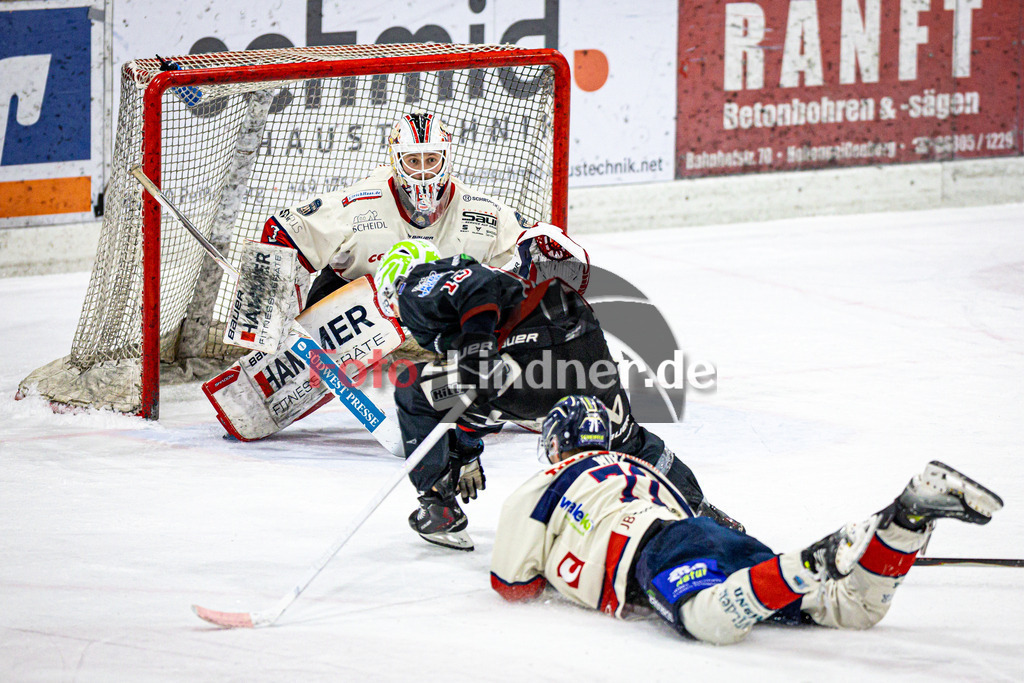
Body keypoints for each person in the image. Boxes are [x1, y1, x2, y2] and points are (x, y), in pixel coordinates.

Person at [490, 396, 1004, 645]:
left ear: (555, 444)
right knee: (849, 608)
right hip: (705, 537)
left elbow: (511, 585)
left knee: (704, 621)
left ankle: (815, 559)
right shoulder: (638, 467)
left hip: (654, 551)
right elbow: (695, 516)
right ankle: (908, 517)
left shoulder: (546, 483)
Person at [372, 249, 741, 551]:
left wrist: (478, 350)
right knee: (627, 439)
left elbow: (476, 290)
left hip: (533, 350)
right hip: (578, 339)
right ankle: (700, 511)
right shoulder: (471, 301)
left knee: (410, 387)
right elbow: (484, 397)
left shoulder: (416, 283)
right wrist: (466, 450)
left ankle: (438, 507)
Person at [259, 110, 589, 309]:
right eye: (412, 160)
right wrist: (272, 318)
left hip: (438, 314)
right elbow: (284, 231)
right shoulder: (359, 202)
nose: (422, 171)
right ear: (395, 160)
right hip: (355, 309)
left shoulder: (481, 211)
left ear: (446, 159)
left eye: (431, 160)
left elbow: (538, 252)